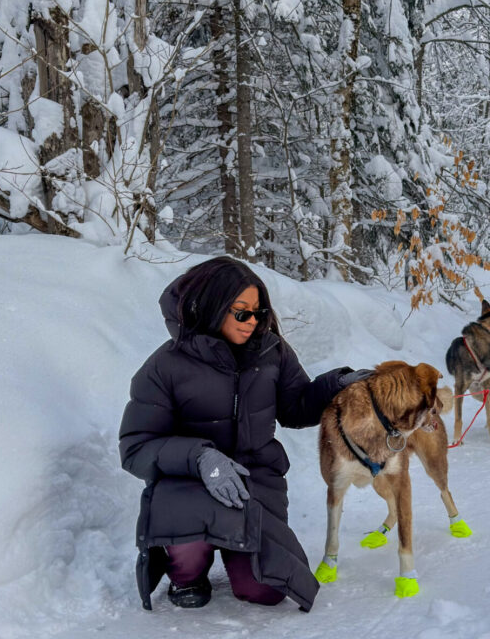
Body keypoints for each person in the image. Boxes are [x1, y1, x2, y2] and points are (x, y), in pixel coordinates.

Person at [119, 256, 369, 613]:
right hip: (189, 483)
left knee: (265, 589)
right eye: (242, 312)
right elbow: (136, 446)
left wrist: (337, 385)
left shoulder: (272, 352)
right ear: (212, 305)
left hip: (255, 480)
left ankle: (235, 556)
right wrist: (201, 458)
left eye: (259, 311)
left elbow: (296, 408)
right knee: (187, 561)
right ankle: (189, 573)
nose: (253, 321)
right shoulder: (165, 365)